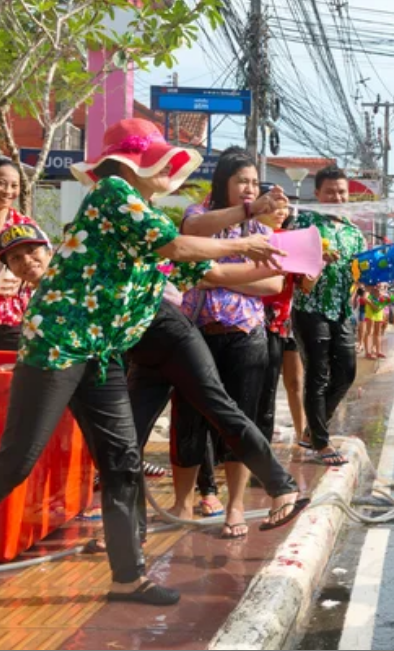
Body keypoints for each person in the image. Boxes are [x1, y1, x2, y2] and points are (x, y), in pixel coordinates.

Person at [0, 117, 289, 605]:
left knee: (123, 461)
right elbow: (177, 246)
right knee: (18, 458)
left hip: (102, 351)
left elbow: (205, 267)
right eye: (160, 160)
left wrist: (281, 257)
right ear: (135, 164)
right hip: (58, 343)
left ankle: (128, 578)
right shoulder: (113, 193)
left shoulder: (145, 215)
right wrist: (246, 241)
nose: (168, 170)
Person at [0, 221, 308, 549]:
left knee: (218, 408)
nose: (27, 261)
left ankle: (282, 486)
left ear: (50, 250)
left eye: (32, 250)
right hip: (142, 357)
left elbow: (188, 266)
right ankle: (131, 532)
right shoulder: (41, 303)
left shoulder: (80, 266)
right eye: (15, 258)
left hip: (173, 337)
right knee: (124, 444)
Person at [173, 147, 285, 537]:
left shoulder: (263, 231)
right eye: (242, 181)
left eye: (254, 182)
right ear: (223, 183)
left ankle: (235, 507)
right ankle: (181, 503)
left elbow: (273, 283)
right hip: (195, 333)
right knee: (188, 420)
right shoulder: (197, 213)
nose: (250, 188)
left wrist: (215, 275)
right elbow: (191, 235)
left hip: (245, 334)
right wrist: (242, 272)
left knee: (241, 421)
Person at [292, 166, 366, 465]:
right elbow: (291, 262)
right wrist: (316, 257)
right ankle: (321, 443)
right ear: (318, 194)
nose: (337, 197)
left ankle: (313, 430)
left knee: (346, 373)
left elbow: (359, 271)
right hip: (310, 307)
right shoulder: (305, 223)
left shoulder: (354, 232)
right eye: (330, 192)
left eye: (341, 192)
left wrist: (372, 279)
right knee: (318, 374)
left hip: (342, 311)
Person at [257, 205, 308, 450]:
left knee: (296, 382)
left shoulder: (291, 241)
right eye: (274, 208)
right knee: (264, 384)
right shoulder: (252, 238)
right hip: (260, 319)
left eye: (284, 209)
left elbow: (305, 285)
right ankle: (259, 440)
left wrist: (315, 265)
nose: (281, 212)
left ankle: (303, 436)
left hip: (287, 320)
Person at [0, 160, 40, 350]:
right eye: (2, 183)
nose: (8, 191)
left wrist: (25, 277)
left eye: (14, 185)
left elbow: (46, 266)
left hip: (13, 321)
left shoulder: (24, 225)